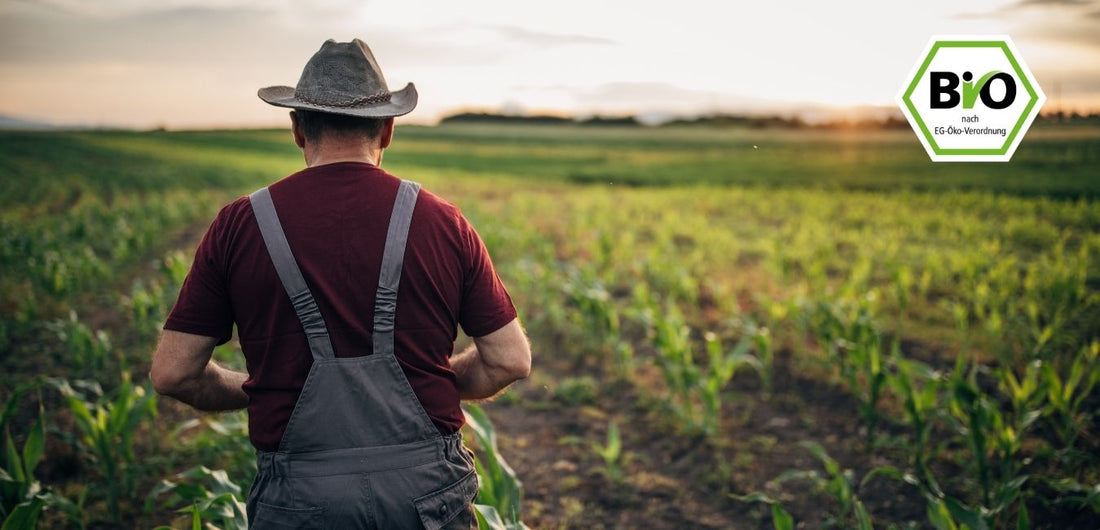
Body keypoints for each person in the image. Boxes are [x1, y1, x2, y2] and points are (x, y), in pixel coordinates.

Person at [151, 38, 531, 529]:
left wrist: (256, 390)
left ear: (296, 128)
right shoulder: (443, 222)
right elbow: (509, 359)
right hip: (427, 497)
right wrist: (430, 380)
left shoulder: (240, 225)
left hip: (299, 500)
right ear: (388, 129)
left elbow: (174, 374)